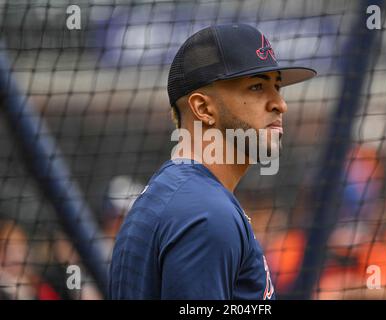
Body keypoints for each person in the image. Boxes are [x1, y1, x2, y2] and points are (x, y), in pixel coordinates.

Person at [109, 23, 316, 299]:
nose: (280, 103)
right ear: (204, 108)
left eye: (277, 87)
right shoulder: (205, 213)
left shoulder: (179, 195)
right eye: (257, 87)